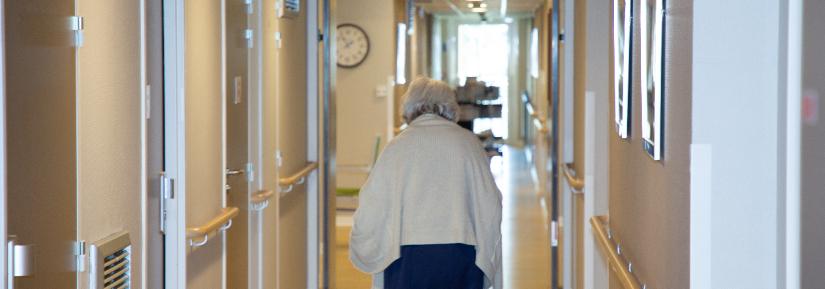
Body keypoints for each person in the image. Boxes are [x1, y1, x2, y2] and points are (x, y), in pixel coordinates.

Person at [349, 76, 503, 289]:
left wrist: (364, 240)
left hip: (405, 256)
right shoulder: (468, 143)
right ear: (451, 106)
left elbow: (372, 203)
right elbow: (491, 202)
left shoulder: (397, 147)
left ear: (409, 107)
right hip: (463, 253)